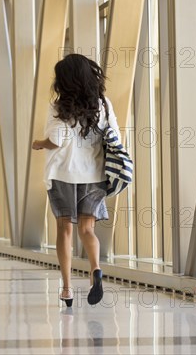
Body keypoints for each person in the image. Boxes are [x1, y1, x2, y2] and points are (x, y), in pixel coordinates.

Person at [31, 54, 121, 307]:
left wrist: (39, 144)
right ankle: (95, 269)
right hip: (94, 175)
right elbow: (116, 135)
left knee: (65, 229)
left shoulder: (59, 106)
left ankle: (67, 288)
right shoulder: (103, 104)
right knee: (87, 229)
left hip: (63, 174)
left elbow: (56, 140)